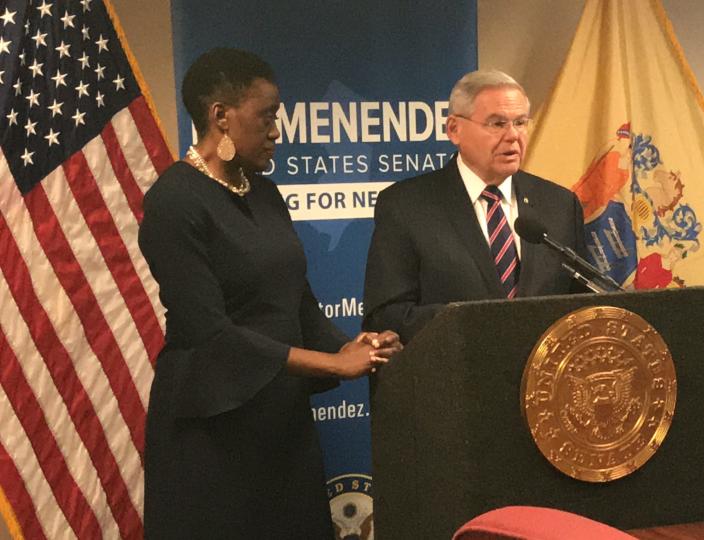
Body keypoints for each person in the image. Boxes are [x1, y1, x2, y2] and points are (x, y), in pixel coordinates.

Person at [138, 48, 400, 538]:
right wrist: (331, 366)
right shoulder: (174, 201)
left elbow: (295, 300)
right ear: (221, 116)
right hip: (212, 428)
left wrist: (346, 345)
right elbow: (208, 331)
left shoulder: (264, 192)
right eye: (267, 115)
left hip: (279, 422)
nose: (277, 130)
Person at [363, 69, 587, 343]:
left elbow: (582, 303)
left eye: (520, 122)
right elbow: (386, 317)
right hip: (455, 377)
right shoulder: (406, 206)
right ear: (454, 130)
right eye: (497, 124)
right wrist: (480, 323)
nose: (513, 136)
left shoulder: (560, 204)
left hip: (544, 380)